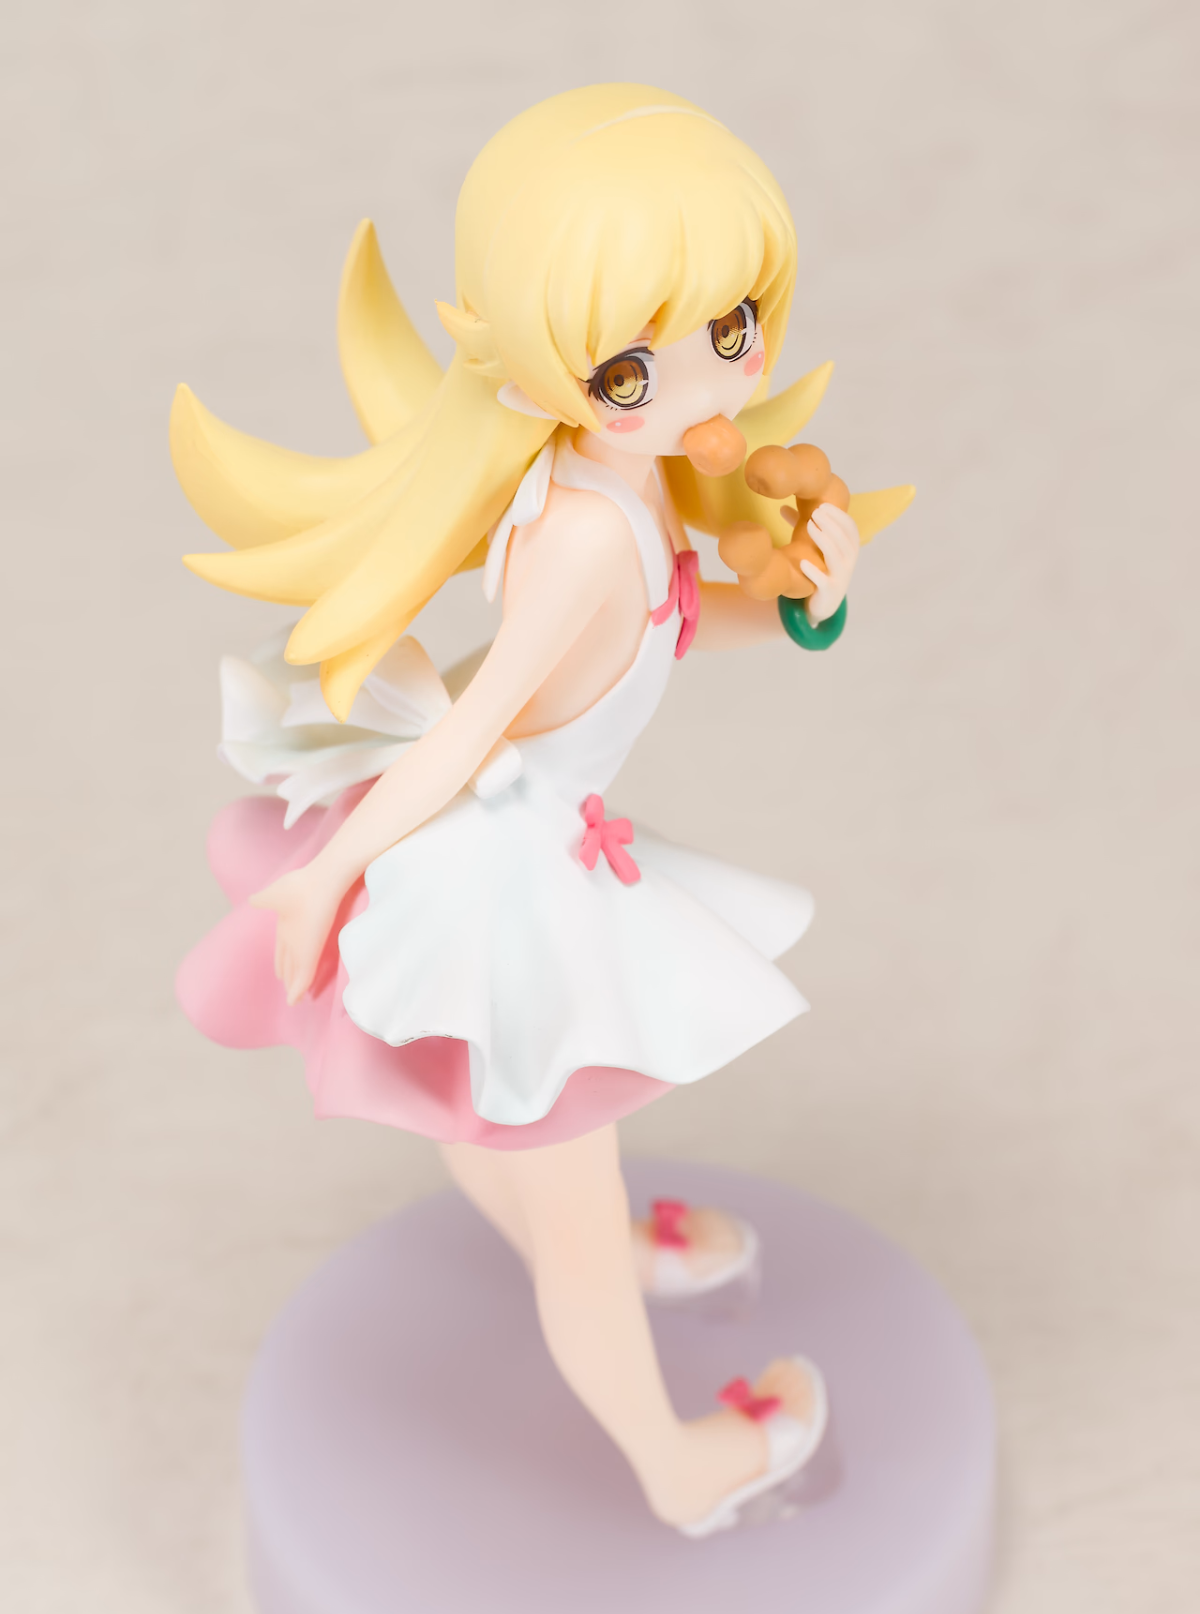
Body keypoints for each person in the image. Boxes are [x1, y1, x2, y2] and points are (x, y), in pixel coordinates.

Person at [173, 84, 908, 1536]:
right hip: (503, 878)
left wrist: (802, 604)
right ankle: (681, 1470)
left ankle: (600, 1255)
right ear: (550, 369)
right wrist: (333, 874)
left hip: (520, 840)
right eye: (635, 366)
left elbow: (667, 627)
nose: (706, 379)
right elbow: (469, 732)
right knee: (561, 1193)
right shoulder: (580, 533)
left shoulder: (620, 484)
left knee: (490, 1113)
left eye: (732, 327)